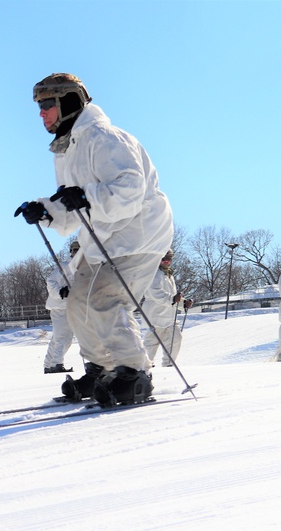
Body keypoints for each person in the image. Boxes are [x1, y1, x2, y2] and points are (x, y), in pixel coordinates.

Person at [16, 72, 173, 406]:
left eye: (47, 105)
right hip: (102, 236)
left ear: (68, 102)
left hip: (139, 233)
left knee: (106, 299)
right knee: (77, 303)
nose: (41, 113)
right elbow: (72, 203)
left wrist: (86, 197)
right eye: (39, 107)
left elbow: (131, 189)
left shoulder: (105, 137)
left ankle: (134, 375)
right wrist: (45, 211)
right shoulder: (65, 150)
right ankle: (103, 368)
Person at [141, 249, 193, 367]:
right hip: (156, 315)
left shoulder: (168, 274)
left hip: (169, 315)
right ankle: (144, 367)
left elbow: (173, 295)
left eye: (168, 259)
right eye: (163, 259)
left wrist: (183, 303)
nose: (165, 261)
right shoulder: (153, 273)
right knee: (152, 343)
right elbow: (155, 292)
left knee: (175, 339)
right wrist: (172, 299)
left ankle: (168, 365)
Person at [43, 240, 80, 374]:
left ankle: (49, 364)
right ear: (70, 252)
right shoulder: (64, 266)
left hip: (71, 306)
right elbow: (50, 281)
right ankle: (56, 364)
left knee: (60, 337)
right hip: (60, 306)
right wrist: (60, 292)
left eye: (79, 250)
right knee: (63, 337)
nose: (76, 253)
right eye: (74, 250)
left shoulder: (83, 268)